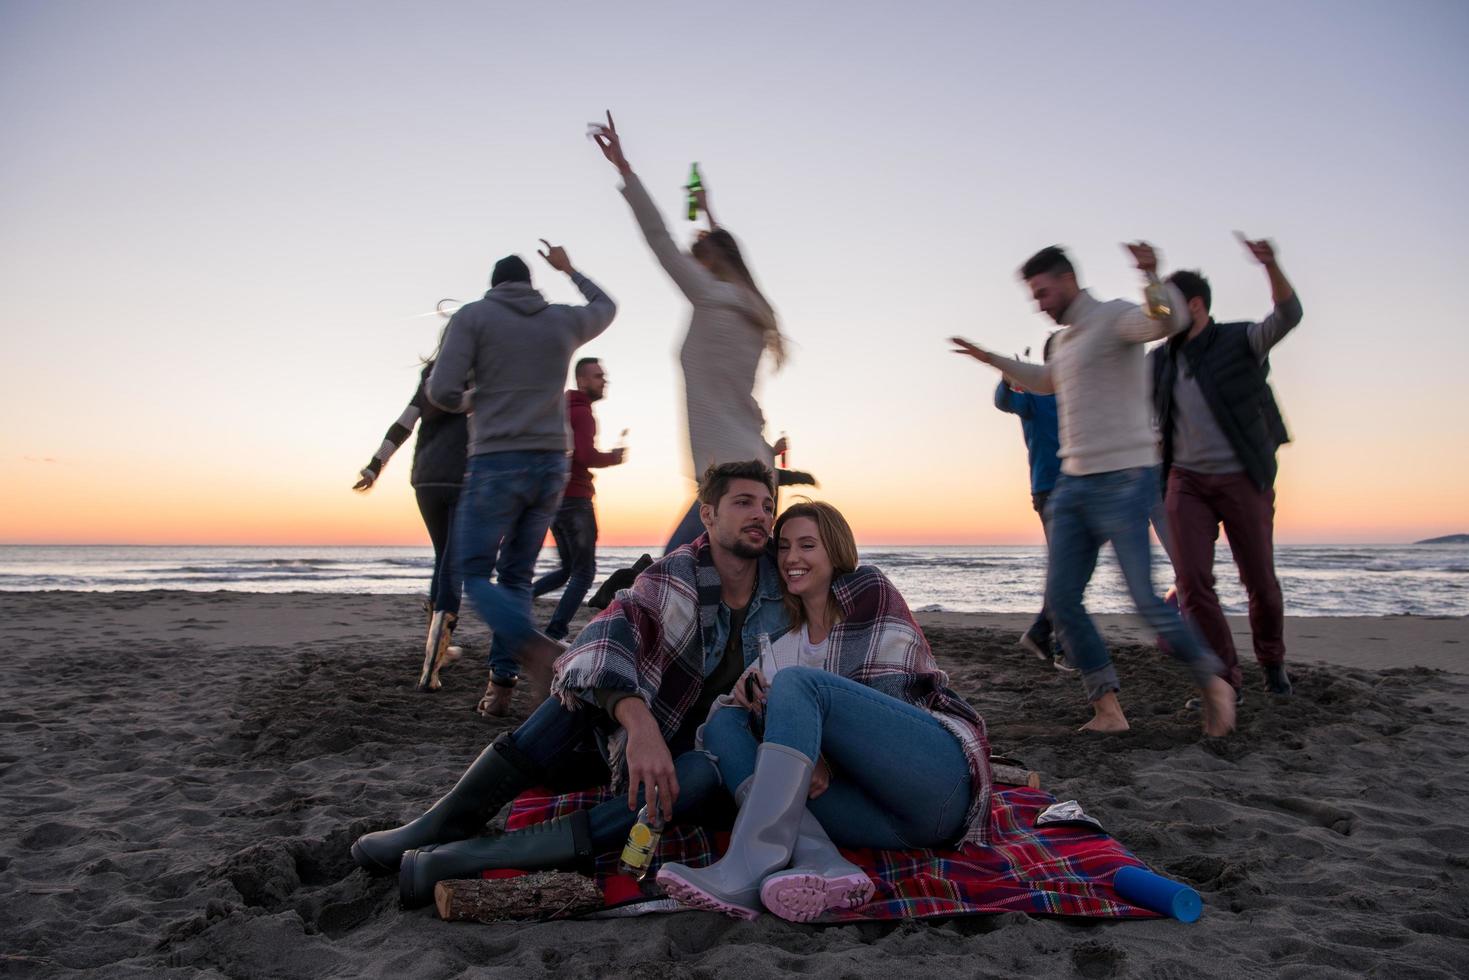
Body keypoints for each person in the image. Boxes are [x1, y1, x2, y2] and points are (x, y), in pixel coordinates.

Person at [350, 460, 791, 908]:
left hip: (715, 755)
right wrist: (639, 725)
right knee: (578, 695)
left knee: (697, 775)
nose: (761, 514)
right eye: (744, 502)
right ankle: (443, 823)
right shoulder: (673, 574)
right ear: (709, 515)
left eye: (768, 505)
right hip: (639, 741)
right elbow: (603, 638)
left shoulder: (788, 587)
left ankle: (469, 855)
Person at [656, 500, 993, 922]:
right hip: (885, 824)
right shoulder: (784, 646)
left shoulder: (869, 592)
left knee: (797, 684)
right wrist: (746, 694)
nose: (792, 558)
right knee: (725, 720)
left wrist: (823, 752)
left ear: (835, 551)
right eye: (783, 548)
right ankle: (824, 862)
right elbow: (729, 723)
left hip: (935, 786)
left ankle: (747, 863)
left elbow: (894, 697)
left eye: (808, 545)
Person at [950, 243, 1235, 737]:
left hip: (1125, 478)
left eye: (1042, 292)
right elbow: (1044, 382)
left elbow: (1162, 322)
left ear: (1067, 281)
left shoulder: (1114, 318)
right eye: (1033, 295)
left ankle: (1214, 680)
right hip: (1073, 483)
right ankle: (1108, 709)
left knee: (1144, 601)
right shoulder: (1065, 343)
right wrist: (990, 358)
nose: (1038, 302)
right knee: (1063, 602)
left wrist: (1150, 275)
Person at [426, 245, 615, 717]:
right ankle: (503, 681)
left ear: (493, 286)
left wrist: (479, 396)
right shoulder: (560, 320)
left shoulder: (473, 318)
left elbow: (441, 391)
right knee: (515, 577)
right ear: (531, 286)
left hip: (497, 460)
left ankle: (535, 649)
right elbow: (606, 307)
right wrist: (570, 269)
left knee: (471, 573)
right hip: (551, 464)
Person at [589, 112, 787, 553]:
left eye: (699, 250)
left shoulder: (709, 294)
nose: (692, 255)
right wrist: (709, 207)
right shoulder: (755, 307)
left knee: (674, 564)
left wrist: (626, 170)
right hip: (754, 462)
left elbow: (659, 239)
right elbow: (727, 251)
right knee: (725, 575)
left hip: (727, 470)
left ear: (711, 260)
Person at [1150, 235, 1303, 701]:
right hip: (1185, 481)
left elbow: (1287, 317)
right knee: (1192, 584)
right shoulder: (1159, 360)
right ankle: (1224, 677)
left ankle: (1272, 661)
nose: (1161, 315)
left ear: (1195, 305)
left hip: (1241, 476)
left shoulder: (1240, 340)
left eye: (1169, 305)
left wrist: (1271, 265)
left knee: (1260, 581)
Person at [353, 316, 471, 691]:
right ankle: (431, 666)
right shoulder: (479, 373)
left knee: (443, 558)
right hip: (464, 479)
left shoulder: (432, 377)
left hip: (425, 480)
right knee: (454, 564)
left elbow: (403, 424)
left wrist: (376, 465)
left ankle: (438, 650)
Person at [532, 357, 626, 642]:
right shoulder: (582, 413)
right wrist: (614, 457)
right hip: (575, 499)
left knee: (566, 570)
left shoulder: (558, 410)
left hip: (554, 500)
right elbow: (584, 456)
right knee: (584, 573)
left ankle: (517, 598)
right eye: (598, 376)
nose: (604, 381)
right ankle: (556, 631)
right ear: (582, 380)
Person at [992, 333, 1069, 670]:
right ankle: (1061, 643)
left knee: (1071, 569)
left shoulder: (1081, 393)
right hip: (1051, 490)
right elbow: (1004, 400)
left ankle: (1043, 631)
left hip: (1086, 487)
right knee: (1067, 568)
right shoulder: (1035, 393)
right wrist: (1009, 376)